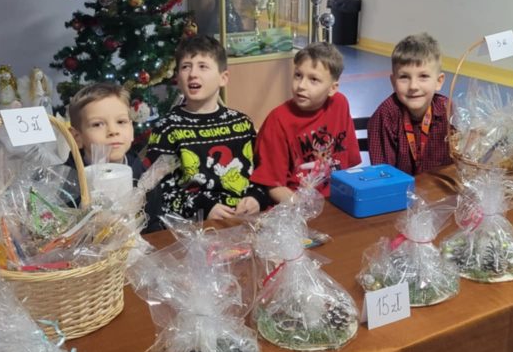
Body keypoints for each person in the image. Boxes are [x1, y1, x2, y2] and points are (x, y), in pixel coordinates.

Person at [144, 35, 270, 222]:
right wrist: (201, 207)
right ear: (178, 78)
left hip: (246, 220)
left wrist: (257, 197)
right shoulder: (167, 129)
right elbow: (158, 192)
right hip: (195, 226)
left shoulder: (242, 123)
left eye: (203, 66)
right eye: (186, 67)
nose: (193, 74)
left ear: (223, 78)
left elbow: (263, 173)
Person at [252, 42, 361, 203]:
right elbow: (273, 186)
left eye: (313, 79)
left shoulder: (340, 104)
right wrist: (304, 207)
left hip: (336, 200)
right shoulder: (277, 120)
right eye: (298, 75)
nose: (301, 86)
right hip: (295, 206)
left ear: (332, 88)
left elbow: (348, 166)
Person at [367, 33, 452, 175]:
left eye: (423, 76)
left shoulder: (449, 112)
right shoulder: (385, 116)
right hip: (399, 188)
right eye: (404, 77)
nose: (413, 86)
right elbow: (383, 175)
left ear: (439, 81)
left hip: (438, 188)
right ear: (393, 82)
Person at [66, 82, 144, 181]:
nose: (113, 131)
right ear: (76, 137)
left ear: (131, 130)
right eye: (97, 124)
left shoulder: (144, 175)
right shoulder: (62, 183)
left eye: (121, 122)